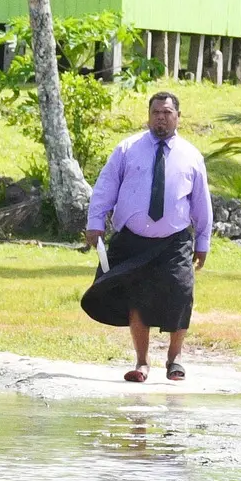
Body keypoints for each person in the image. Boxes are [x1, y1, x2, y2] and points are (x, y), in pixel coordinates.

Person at [80, 91, 211, 382]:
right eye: (156, 112)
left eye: (167, 112)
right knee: (136, 299)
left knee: (181, 293)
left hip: (174, 241)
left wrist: (203, 242)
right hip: (132, 239)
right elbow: (105, 188)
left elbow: (202, 203)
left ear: (178, 116)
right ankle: (142, 363)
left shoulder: (191, 155)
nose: (161, 118)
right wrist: (95, 222)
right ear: (148, 115)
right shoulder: (128, 149)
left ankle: (175, 359)